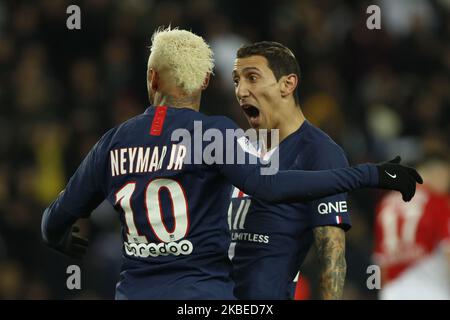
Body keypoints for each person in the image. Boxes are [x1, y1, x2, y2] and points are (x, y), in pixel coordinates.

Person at [41, 27, 421, 300]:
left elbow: (53, 221)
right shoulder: (214, 135)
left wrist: (60, 240)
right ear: (206, 81)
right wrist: (371, 173)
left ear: (152, 77)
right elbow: (271, 187)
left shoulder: (112, 142)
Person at [228, 41, 387, 299]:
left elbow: (332, 258)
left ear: (287, 84)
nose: (241, 90)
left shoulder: (320, 153)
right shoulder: (236, 147)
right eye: (237, 80)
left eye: (252, 78)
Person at [374, 152, 450, 299]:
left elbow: (380, 260)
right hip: (431, 290)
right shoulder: (437, 202)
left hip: (392, 292)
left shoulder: (385, 204)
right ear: (439, 173)